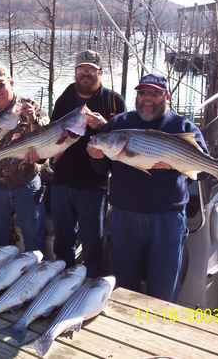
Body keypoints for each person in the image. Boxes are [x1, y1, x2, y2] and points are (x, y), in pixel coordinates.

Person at [86, 72, 208, 302]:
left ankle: (158, 332)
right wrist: (95, 156)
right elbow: (100, 171)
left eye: (154, 93)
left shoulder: (182, 126)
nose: (147, 99)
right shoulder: (119, 124)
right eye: (142, 93)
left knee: (163, 290)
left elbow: (201, 173)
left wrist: (174, 166)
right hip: (124, 218)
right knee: (123, 287)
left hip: (168, 220)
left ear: (167, 96)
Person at [50, 50, 125, 277]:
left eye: (91, 69)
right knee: (63, 239)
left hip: (94, 184)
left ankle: (92, 283)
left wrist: (103, 126)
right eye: (81, 69)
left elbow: (124, 141)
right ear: (75, 72)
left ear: (100, 72)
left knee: (93, 240)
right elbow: (54, 133)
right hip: (62, 180)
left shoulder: (113, 100)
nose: (85, 73)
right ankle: (63, 281)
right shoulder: (66, 96)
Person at [0, 65, 48, 252]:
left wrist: (33, 120)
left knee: (33, 238)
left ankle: (35, 275)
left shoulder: (31, 107)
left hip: (26, 184)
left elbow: (47, 140)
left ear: (11, 82)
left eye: (1, 85)